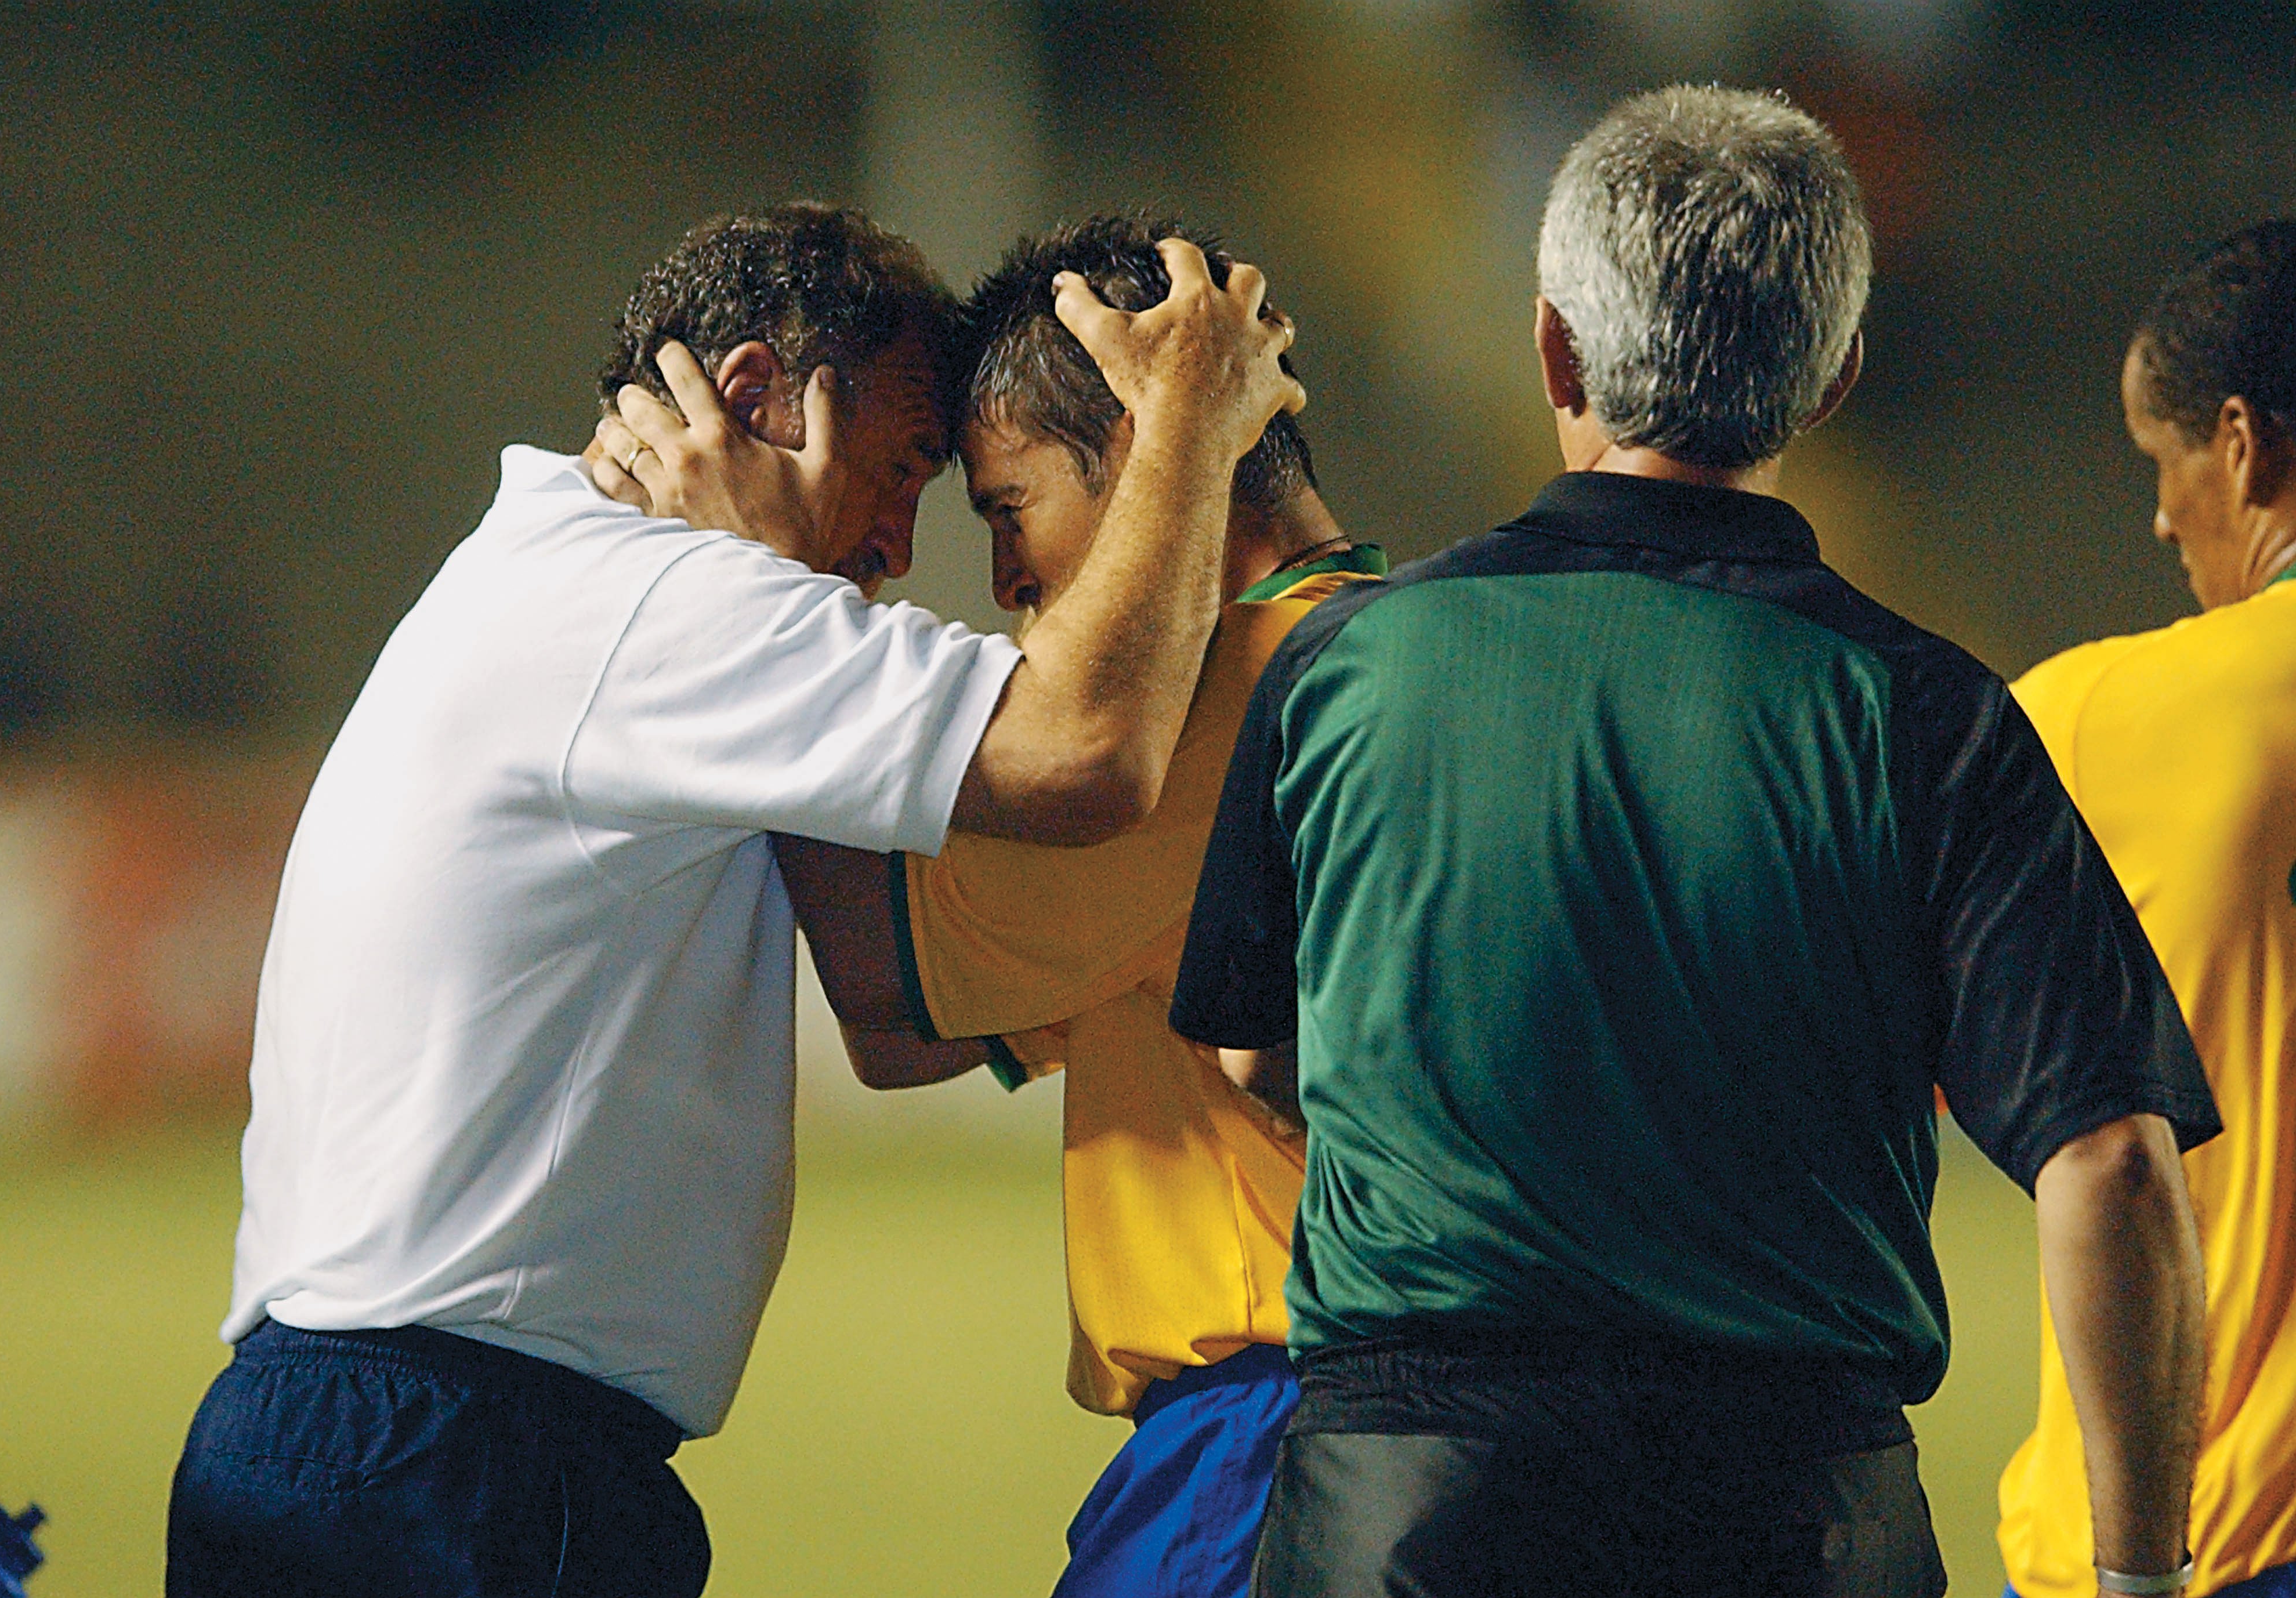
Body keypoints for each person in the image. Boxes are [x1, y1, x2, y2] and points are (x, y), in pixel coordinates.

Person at [1167, 86, 2222, 1598]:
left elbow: (1258, 1055)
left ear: (1552, 346)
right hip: (1793, 1508)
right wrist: (2137, 1579)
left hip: (1406, 1502)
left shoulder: (1342, 668)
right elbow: (2115, 1161)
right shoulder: (1927, 712)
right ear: (1837, 373)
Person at [163, 202, 1303, 1598]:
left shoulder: (559, 588)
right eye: (903, 472)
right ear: (759, 395)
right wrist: (1194, 410)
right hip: (449, 1462)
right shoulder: (666, 606)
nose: (900, 544)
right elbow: (1080, 753)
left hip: (411, 1441)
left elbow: (896, 1015)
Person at [599, 212, 1384, 1598]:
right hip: (1379, 1422)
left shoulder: (1220, 707)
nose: (1008, 582)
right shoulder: (1372, 645)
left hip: (1273, 1439)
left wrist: (764, 593)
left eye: (1006, 509)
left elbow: (892, 1004)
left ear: (1158, 454)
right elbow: (949, 1038)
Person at [1998, 220, 2296, 1598]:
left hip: (2202, 1532)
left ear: (2238, 444)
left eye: (2160, 463)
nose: (2163, 517)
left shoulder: (2086, 719)